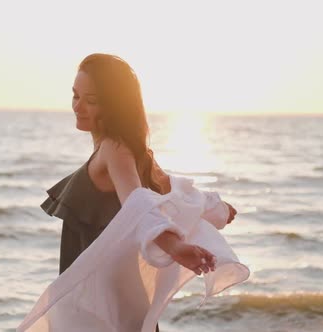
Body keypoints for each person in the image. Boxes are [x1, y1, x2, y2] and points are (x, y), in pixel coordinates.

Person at [39, 53, 237, 331]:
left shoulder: (114, 149)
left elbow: (139, 202)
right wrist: (216, 208)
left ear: (114, 106)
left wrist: (175, 246)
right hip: (115, 291)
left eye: (91, 101)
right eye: (75, 96)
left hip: (102, 298)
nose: (78, 106)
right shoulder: (135, 153)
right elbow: (176, 193)